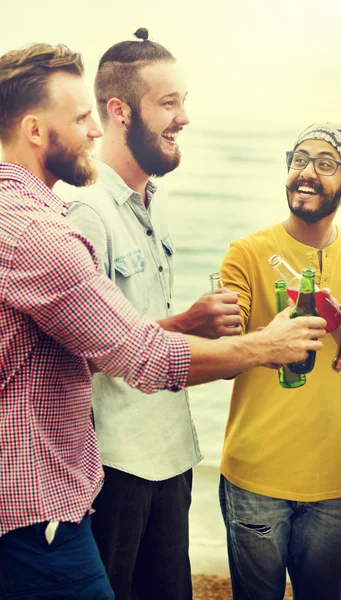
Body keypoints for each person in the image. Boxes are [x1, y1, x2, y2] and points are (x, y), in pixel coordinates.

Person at [0, 43, 325, 599]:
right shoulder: (45, 230)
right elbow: (139, 355)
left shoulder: (43, 213)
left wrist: (184, 325)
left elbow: (100, 338)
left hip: (100, 477)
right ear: (34, 130)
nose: (94, 131)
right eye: (81, 118)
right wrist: (263, 347)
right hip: (41, 503)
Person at [65, 29, 240, 600]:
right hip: (114, 467)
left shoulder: (153, 203)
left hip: (170, 456)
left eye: (183, 101)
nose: (184, 117)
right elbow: (86, 353)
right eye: (169, 103)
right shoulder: (84, 211)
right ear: (118, 111)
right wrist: (191, 325)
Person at [218, 122, 341, 600]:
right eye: (299, 159)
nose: (307, 173)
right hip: (256, 474)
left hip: (337, 475)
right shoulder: (247, 254)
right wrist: (261, 336)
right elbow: (224, 357)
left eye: (325, 163)